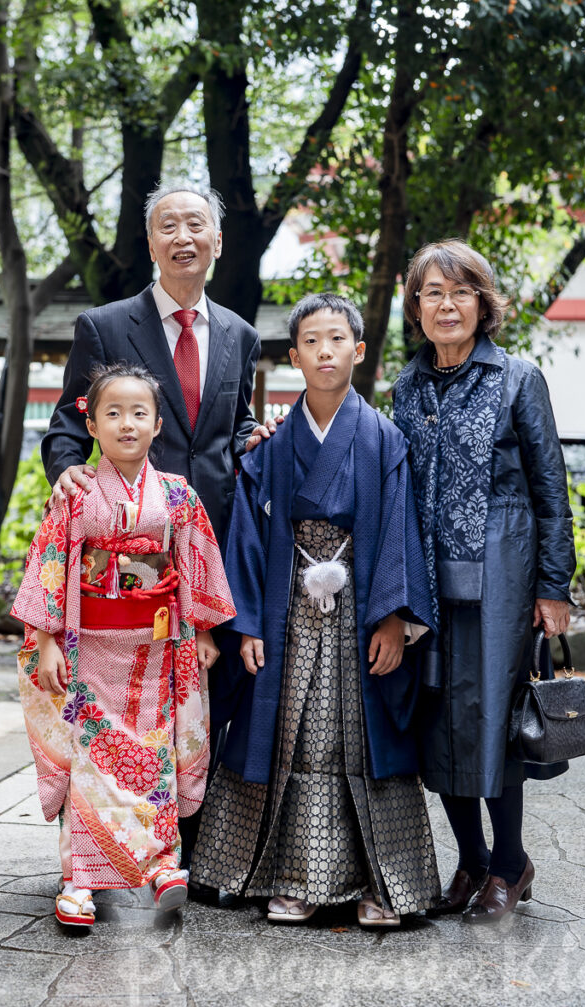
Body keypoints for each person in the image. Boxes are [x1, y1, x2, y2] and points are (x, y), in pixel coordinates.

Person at [190, 294, 440, 927]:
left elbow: (401, 531)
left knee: (359, 735)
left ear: (359, 351)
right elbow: (247, 538)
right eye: (311, 341)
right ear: (294, 356)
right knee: (292, 733)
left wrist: (393, 618)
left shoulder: (384, 438)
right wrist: (246, 623)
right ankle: (291, 877)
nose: (325, 352)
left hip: (362, 605)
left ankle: (380, 884)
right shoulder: (272, 447)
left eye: (337, 340)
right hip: (287, 608)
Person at [12, 364, 235, 928]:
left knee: (154, 757)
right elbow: (50, 564)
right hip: (87, 650)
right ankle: (79, 880)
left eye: (139, 413)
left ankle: (162, 864)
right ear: (92, 425)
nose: (127, 424)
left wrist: (203, 630)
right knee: (88, 762)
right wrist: (47, 640)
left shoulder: (178, 494)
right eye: (113, 413)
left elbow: (195, 563)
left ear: (158, 424)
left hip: (156, 652)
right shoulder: (76, 492)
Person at [393, 239, 575, 924]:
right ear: (416, 307)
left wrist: (553, 585)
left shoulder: (517, 378)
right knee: (437, 721)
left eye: (460, 292)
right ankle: (470, 859)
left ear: (482, 303)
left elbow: (550, 488)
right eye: (433, 293)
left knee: (493, 720)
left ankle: (509, 863)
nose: (447, 305)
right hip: (427, 578)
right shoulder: (407, 386)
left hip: (501, 575)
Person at [41, 183, 260, 547]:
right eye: (168, 226)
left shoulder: (242, 335)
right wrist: (66, 469)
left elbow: (236, 421)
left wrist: (252, 437)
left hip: (216, 527)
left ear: (218, 242)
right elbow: (70, 421)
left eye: (195, 224)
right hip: (129, 526)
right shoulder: (103, 327)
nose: (182, 237)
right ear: (152, 247)